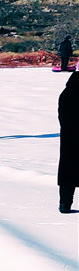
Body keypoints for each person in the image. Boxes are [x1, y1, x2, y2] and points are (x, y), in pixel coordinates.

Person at [58, 71, 79, 212]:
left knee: (67, 172)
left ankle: (65, 204)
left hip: (69, 137)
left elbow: (61, 116)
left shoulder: (65, 94)